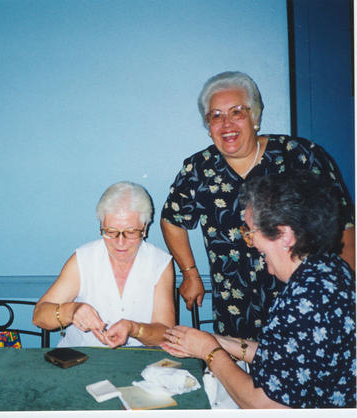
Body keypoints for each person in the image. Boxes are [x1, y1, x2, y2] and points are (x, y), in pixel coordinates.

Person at [161, 71, 355, 340]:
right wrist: (190, 273)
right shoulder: (199, 169)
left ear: (255, 117)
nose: (226, 124)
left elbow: (343, 223)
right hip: (235, 306)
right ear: (208, 125)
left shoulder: (298, 155)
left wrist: (346, 289)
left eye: (237, 112)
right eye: (216, 115)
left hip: (303, 300)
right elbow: (172, 219)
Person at [162, 172, 356, 408]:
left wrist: (209, 351)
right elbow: (285, 358)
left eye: (251, 232)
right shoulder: (329, 269)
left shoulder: (306, 299)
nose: (250, 242)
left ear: (285, 235)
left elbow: (265, 406)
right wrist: (216, 341)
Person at [32, 181, 175, 347]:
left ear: (145, 228)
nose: (120, 243)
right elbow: (39, 316)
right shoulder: (84, 259)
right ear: (101, 226)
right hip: (80, 356)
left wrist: (134, 329)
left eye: (131, 232)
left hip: (138, 357)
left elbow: (166, 334)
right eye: (111, 232)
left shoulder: (159, 262)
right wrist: (70, 311)